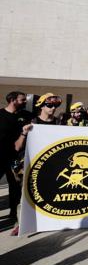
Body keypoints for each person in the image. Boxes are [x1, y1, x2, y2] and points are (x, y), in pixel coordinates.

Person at [0, 92, 28, 221]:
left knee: (15, 186)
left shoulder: (24, 116)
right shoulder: (0, 114)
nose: (25, 102)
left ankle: (14, 214)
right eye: (22, 100)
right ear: (12, 100)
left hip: (15, 158)